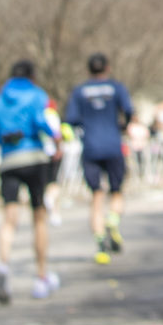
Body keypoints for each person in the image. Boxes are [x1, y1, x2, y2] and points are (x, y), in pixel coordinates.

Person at [0, 58, 63, 302]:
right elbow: (42, 122)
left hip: (9, 161)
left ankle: (3, 265)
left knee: (9, 218)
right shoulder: (36, 95)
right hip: (34, 157)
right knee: (39, 217)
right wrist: (56, 138)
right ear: (32, 76)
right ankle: (41, 277)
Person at [63, 53, 133, 263]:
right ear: (108, 68)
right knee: (117, 191)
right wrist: (123, 125)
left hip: (91, 147)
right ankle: (112, 219)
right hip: (113, 145)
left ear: (88, 70)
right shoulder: (116, 87)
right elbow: (128, 110)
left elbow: (72, 120)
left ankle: (101, 242)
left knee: (96, 196)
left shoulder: (80, 91)